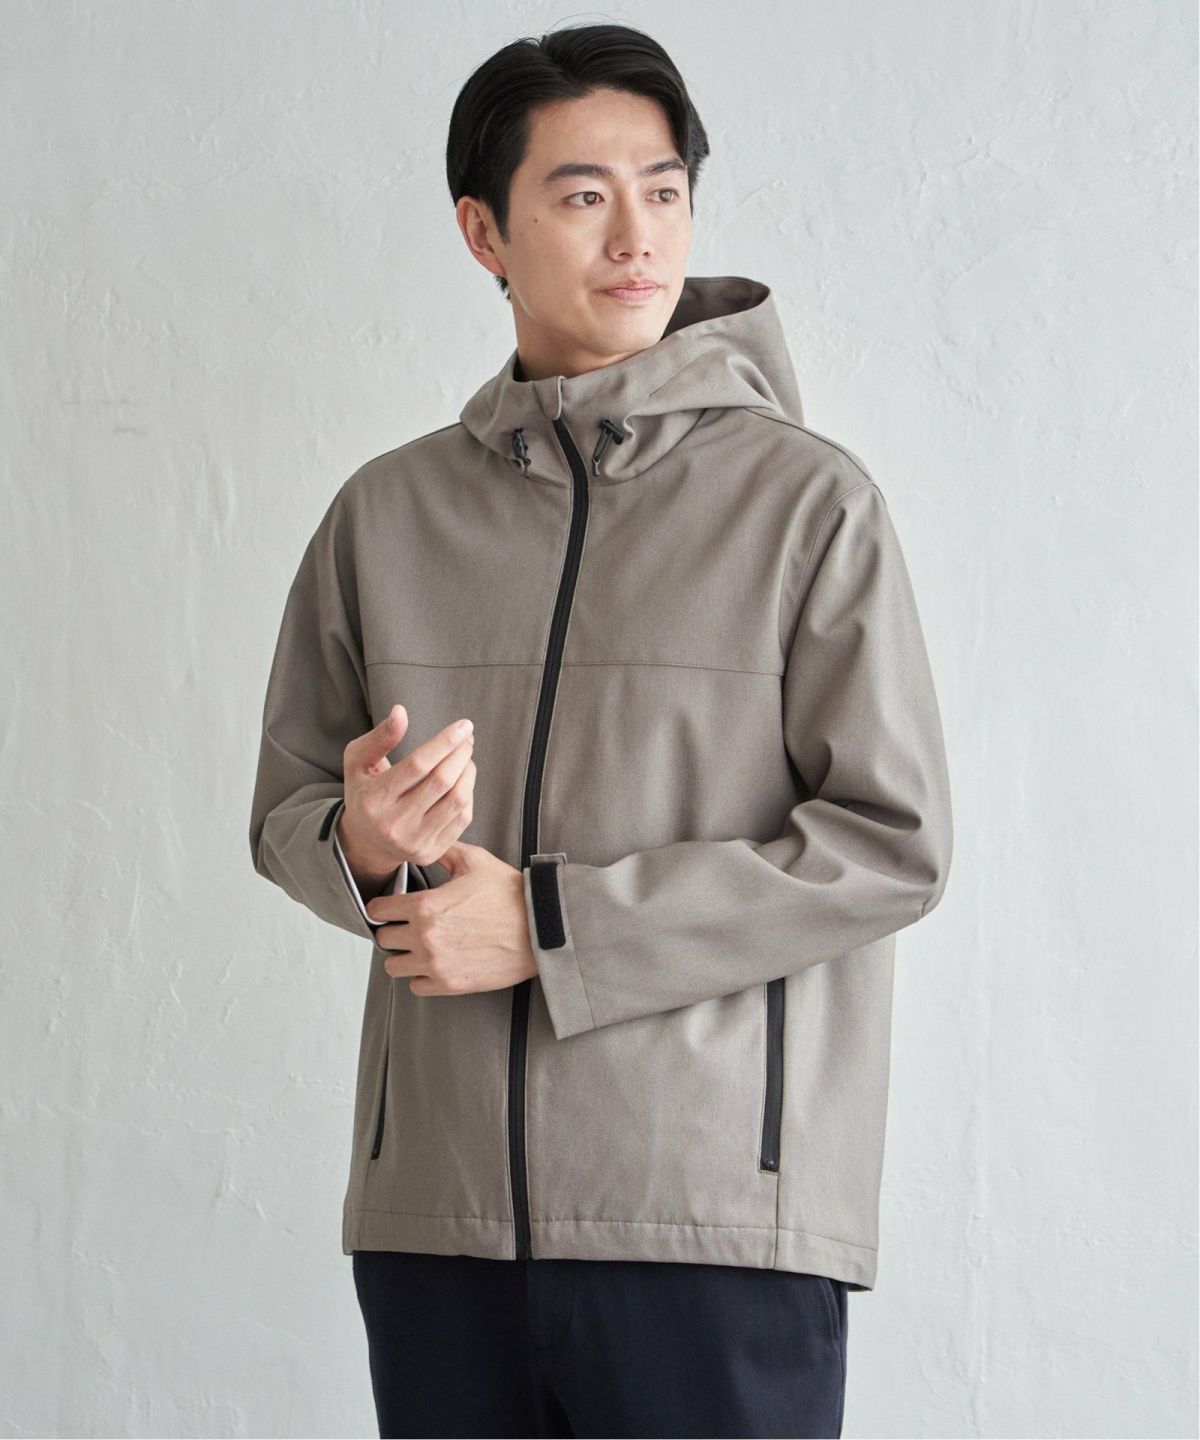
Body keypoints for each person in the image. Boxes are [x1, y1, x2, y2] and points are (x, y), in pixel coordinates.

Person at [248, 22, 953, 1440]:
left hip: (710, 1226)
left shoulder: (807, 507)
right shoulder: (386, 516)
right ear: (484, 232)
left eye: (665, 190)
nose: (639, 236)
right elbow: (288, 814)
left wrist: (550, 925)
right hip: (439, 1221)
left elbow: (892, 845)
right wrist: (365, 847)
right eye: (583, 195)